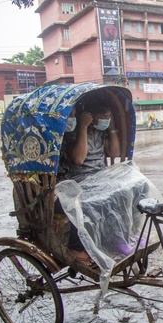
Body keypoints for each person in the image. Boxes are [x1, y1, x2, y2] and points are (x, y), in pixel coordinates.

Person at [59, 97, 121, 263]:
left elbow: (115, 153)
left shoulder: (101, 131)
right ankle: (77, 247)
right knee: (92, 200)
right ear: (91, 115)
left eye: (109, 116)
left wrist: (112, 127)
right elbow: (78, 159)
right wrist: (83, 127)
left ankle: (117, 239)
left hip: (100, 176)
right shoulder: (74, 131)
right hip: (80, 178)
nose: (106, 120)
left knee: (126, 191)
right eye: (104, 116)